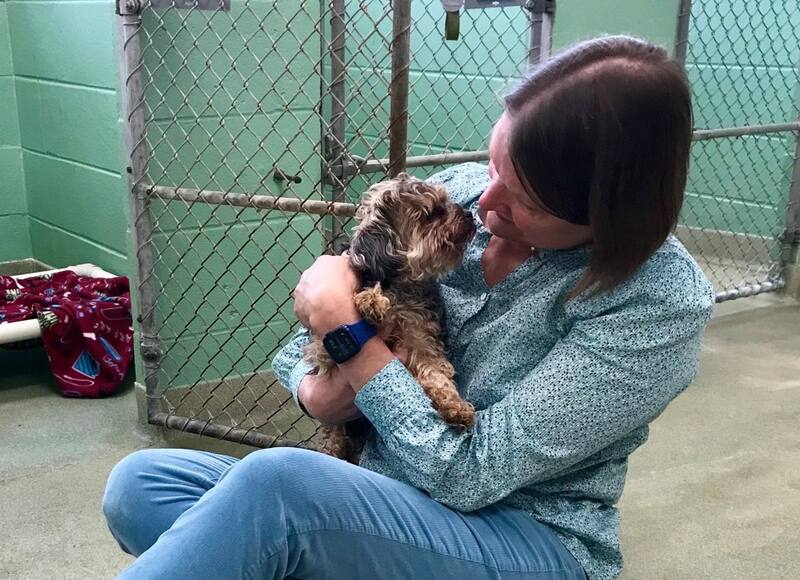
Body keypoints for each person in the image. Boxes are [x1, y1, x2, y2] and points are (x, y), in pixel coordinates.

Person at [102, 35, 714, 580]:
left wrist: (352, 344)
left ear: (609, 212)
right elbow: (304, 340)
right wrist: (314, 392)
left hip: (520, 530)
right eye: (495, 162)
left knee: (277, 490)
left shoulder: (657, 300)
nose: (484, 202)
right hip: (380, 485)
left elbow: (470, 473)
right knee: (141, 485)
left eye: (525, 200)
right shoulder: (462, 194)